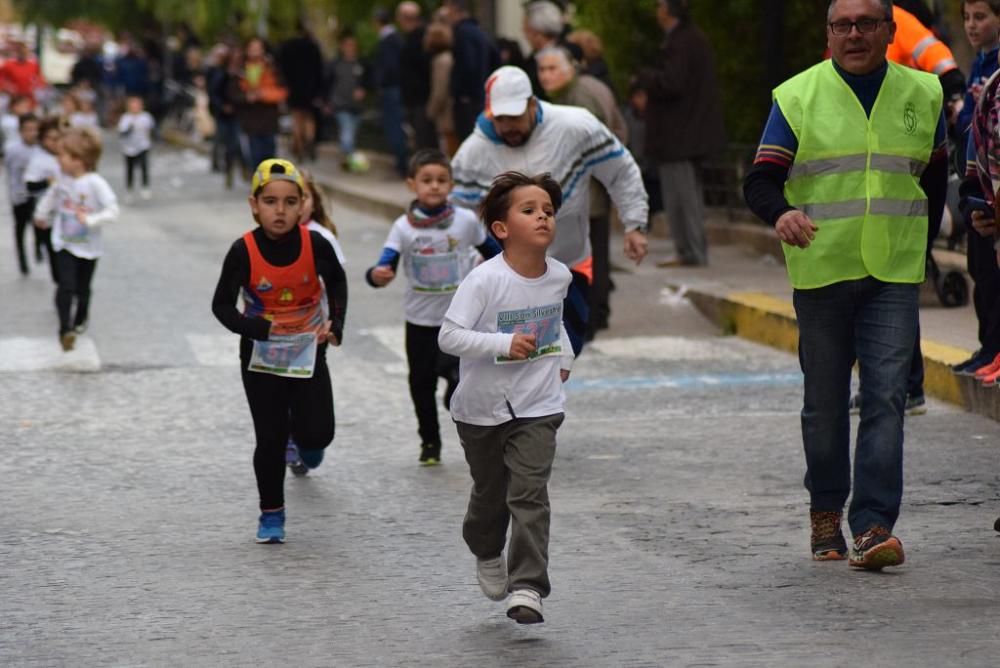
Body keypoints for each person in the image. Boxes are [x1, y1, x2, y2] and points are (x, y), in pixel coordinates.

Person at [742, 0, 949, 570]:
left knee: (885, 397)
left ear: (888, 31)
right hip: (822, 270)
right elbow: (760, 181)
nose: (853, 34)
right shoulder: (797, 96)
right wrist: (780, 214)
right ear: (828, 34)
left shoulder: (925, 95)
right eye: (842, 25)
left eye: (865, 24)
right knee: (825, 404)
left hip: (894, 274)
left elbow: (931, 180)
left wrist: (922, 250)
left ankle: (874, 523)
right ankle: (826, 509)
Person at [438, 171, 572, 625]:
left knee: (530, 495)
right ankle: (485, 548)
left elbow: (556, 322)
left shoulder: (559, 276)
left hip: (538, 404)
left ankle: (529, 587)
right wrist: (501, 343)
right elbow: (449, 335)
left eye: (548, 211)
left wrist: (565, 355)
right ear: (501, 228)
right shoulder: (484, 280)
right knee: (490, 498)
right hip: (481, 410)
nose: (542, 218)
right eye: (529, 210)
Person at [450, 65, 649, 356]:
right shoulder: (472, 154)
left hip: (570, 265)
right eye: (500, 118)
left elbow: (620, 171)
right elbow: (459, 220)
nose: (508, 127)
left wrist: (634, 224)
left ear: (532, 104)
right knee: (522, 358)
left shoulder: (576, 126)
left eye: (515, 117)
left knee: (565, 356)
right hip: (505, 277)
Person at [211, 159, 347, 543]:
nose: (280, 210)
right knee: (269, 438)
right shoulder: (243, 250)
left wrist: (335, 325)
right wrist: (252, 327)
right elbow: (221, 305)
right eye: (270, 201)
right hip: (261, 358)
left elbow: (337, 284)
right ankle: (271, 514)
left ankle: (308, 443)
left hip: (307, 352)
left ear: (303, 204)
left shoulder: (315, 244)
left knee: (319, 432)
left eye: (290, 202)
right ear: (254, 204)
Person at [366, 148, 500, 465]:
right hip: (420, 320)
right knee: (420, 383)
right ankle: (430, 442)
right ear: (412, 184)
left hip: (460, 319)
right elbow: (384, 264)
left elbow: (495, 251)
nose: (435, 186)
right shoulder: (403, 227)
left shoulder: (465, 221)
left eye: (442, 179)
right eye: (427, 180)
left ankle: (457, 398)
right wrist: (377, 275)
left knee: (457, 375)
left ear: (451, 184)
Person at [535, 45, 627, 338]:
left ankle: (589, 318)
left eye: (553, 69)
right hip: (588, 189)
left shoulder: (579, 99)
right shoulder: (581, 91)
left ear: (570, 68)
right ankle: (594, 315)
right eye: (543, 70)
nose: (546, 76)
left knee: (586, 256)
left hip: (586, 190)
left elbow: (595, 144)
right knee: (592, 253)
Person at [638, 0, 726, 268]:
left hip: (680, 134)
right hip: (684, 133)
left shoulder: (682, 41)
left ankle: (691, 252)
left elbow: (672, 83)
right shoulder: (687, 39)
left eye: (659, 5)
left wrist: (645, 78)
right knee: (684, 195)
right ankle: (687, 250)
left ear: (668, 10)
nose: (656, 11)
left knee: (682, 197)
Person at [32, 128, 119, 351]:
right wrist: (41, 216)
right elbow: (50, 198)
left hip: (89, 246)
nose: (58, 160)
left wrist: (91, 219)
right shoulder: (61, 181)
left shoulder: (95, 183)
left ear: (78, 160)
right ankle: (65, 330)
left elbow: (113, 210)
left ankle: (81, 317)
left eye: (62, 155)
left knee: (83, 288)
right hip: (63, 242)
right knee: (66, 286)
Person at [952, 0, 1000, 376]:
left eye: (980, 17)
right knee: (980, 271)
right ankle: (988, 348)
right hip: (975, 179)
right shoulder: (979, 64)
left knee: (992, 273)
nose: (971, 26)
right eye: (967, 18)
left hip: (992, 181)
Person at [443, 0, 499, 141]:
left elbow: (468, 65)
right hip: (479, 97)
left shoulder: (462, 33)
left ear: (454, 10)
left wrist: (461, 93)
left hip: (468, 102)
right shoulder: (479, 31)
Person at [236, 38, 287, 171]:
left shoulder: (272, 68)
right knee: (255, 156)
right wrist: (247, 97)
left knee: (269, 157)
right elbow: (233, 94)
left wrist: (264, 95)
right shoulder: (240, 69)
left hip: (269, 120)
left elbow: (283, 91)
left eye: (258, 48)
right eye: (252, 48)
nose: (255, 51)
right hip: (250, 121)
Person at [278, 20, 325, 163]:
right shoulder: (313, 46)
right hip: (311, 88)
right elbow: (320, 69)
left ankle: (299, 146)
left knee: (297, 119)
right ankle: (310, 142)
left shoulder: (288, 46)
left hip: (293, 88)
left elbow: (281, 68)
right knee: (309, 118)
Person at [24, 116, 63, 280]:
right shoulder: (39, 160)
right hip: (48, 214)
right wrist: (48, 182)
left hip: (68, 214)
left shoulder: (69, 157)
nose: (54, 143)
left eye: (58, 138)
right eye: (50, 139)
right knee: (53, 252)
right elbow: (30, 186)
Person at [373, 8, 408, 177]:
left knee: (394, 126)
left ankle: (401, 164)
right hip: (396, 88)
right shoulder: (396, 39)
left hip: (392, 89)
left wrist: (381, 82)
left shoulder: (388, 41)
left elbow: (389, 67)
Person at [398, 1, 437, 150]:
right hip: (417, 98)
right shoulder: (414, 37)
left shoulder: (420, 38)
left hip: (421, 99)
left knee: (424, 140)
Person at [5, 112, 40, 276]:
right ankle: (22, 261)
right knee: (20, 228)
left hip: (38, 195)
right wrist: (13, 194)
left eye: (35, 129)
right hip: (20, 195)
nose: (32, 133)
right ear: (20, 131)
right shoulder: (12, 149)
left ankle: (39, 249)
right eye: (28, 129)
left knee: (39, 226)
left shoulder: (42, 149)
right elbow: (10, 173)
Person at [326, 30, 367, 165]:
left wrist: (363, 90)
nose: (350, 47)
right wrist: (328, 102)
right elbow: (327, 82)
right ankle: (351, 160)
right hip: (340, 104)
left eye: (352, 45)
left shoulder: (362, 63)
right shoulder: (335, 64)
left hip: (356, 106)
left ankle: (346, 158)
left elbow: (370, 81)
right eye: (347, 44)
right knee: (347, 132)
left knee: (351, 134)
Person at [424, 19, 457, 155]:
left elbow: (440, 91)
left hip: (447, 116)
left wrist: (430, 111)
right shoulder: (445, 59)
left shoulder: (441, 61)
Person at [117, 95, 156, 203]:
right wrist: (129, 128)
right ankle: (129, 189)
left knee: (144, 167)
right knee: (129, 169)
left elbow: (152, 129)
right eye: (133, 105)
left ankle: (145, 187)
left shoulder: (146, 117)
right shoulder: (125, 118)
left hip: (143, 145)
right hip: (128, 148)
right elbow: (121, 132)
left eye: (137, 105)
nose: (135, 107)